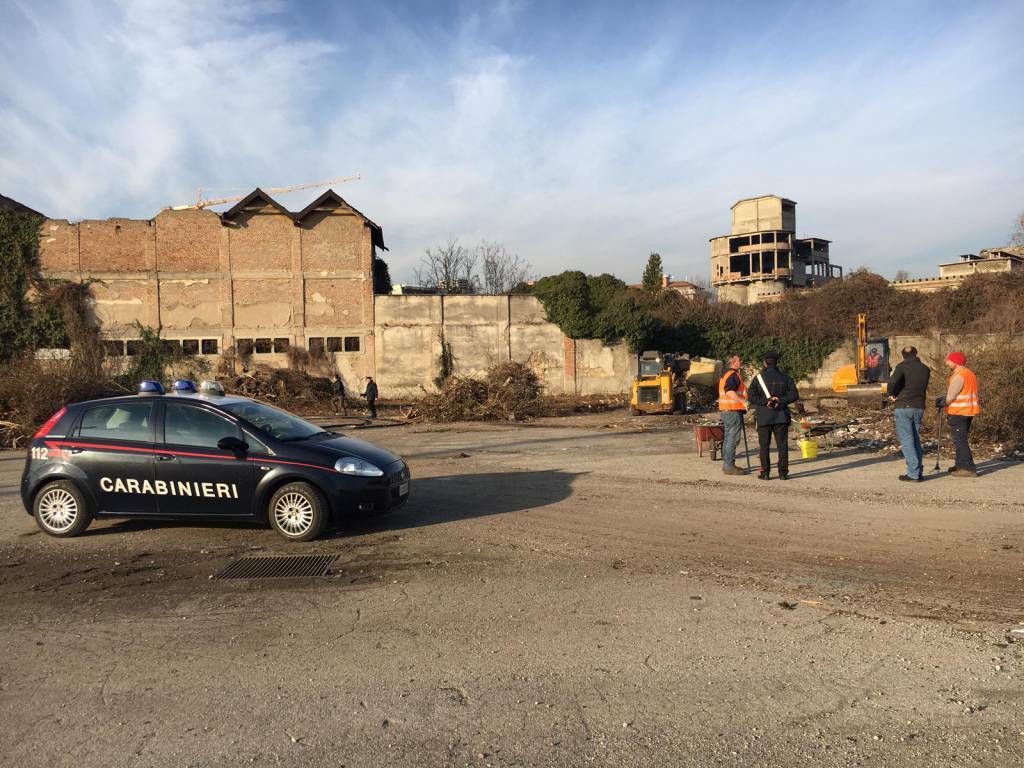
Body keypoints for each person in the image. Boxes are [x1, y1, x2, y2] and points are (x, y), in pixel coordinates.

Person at [746, 350, 799, 480]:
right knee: (782, 445)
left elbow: (751, 396)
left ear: (764, 363)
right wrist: (780, 401)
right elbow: (794, 395)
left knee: (764, 446)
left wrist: (766, 401)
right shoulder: (785, 377)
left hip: (764, 416)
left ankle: (765, 473)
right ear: (777, 362)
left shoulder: (758, 378)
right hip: (781, 415)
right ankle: (783, 473)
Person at [887, 346, 931, 482]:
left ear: (903, 356)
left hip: (904, 405)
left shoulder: (902, 367)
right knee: (916, 439)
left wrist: (891, 394)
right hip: (919, 406)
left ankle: (913, 473)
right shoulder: (925, 369)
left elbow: (893, 381)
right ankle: (918, 471)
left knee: (907, 440)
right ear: (916, 353)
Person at [936, 351, 979, 477]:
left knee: (960, 441)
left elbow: (952, 395)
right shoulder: (969, 373)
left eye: (949, 360)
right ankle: (960, 464)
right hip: (968, 410)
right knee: (960, 439)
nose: (946, 362)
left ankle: (968, 468)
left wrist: (943, 401)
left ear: (955, 362)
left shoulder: (959, 375)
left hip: (959, 411)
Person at [718, 355, 748, 476]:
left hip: (726, 410)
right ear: (733, 362)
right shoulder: (733, 375)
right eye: (739, 360)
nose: (741, 361)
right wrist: (743, 401)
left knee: (728, 437)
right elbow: (730, 391)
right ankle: (729, 466)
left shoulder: (725, 374)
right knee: (733, 438)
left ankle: (727, 464)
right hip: (732, 410)